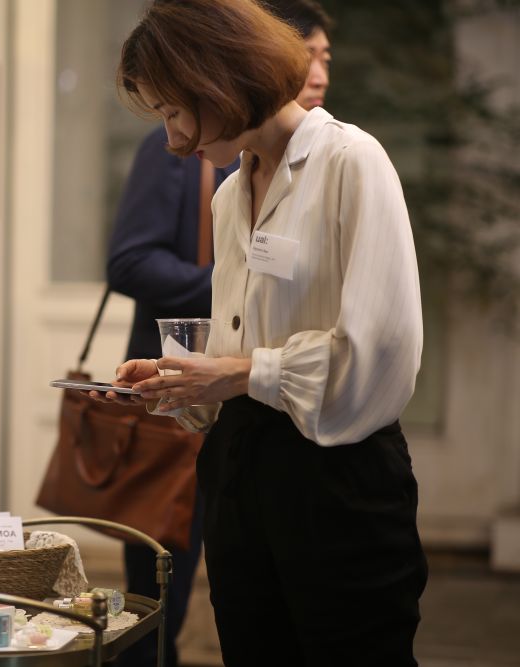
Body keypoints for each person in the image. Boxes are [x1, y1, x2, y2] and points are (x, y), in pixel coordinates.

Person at [105, 0, 428, 664]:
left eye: (173, 112)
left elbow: (381, 356)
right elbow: (235, 349)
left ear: (216, 79)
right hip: (238, 474)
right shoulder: (230, 193)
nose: (173, 140)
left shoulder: (351, 162)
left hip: (337, 482)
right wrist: (185, 382)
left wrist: (243, 373)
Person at [107, 2, 333, 665]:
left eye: (324, 58)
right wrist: (230, 282)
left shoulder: (328, 162)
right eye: (309, 54)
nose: (317, 71)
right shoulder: (184, 151)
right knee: (157, 587)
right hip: (177, 383)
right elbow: (128, 260)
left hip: (242, 407)